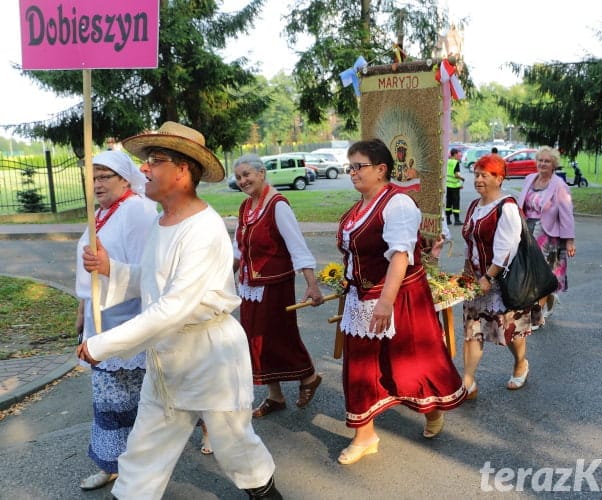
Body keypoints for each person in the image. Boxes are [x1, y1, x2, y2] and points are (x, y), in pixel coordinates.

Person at [77, 122, 281, 500]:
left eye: (155, 160)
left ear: (182, 171)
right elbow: (156, 283)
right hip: (166, 361)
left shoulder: (203, 229)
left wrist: (104, 344)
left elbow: (174, 306)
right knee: (144, 450)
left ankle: (266, 496)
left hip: (209, 358)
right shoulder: (162, 220)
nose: (144, 169)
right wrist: (112, 269)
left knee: (233, 444)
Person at [335, 138, 466, 465]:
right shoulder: (358, 207)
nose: (352, 173)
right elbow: (355, 251)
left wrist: (384, 301)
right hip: (361, 297)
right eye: (349, 167)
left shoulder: (398, 204)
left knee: (410, 365)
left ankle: (432, 409)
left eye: (358, 166)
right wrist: (348, 278)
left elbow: (401, 256)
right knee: (359, 366)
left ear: (381, 170)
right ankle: (365, 435)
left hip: (400, 297)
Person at [75, 150, 157, 491]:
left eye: (104, 177)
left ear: (125, 178)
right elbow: (87, 267)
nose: (97, 184)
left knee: (136, 400)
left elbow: (147, 272)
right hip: (100, 319)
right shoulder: (102, 212)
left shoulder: (137, 211)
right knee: (108, 399)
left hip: (127, 321)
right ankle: (111, 464)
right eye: (93, 178)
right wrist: (82, 308)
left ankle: (140, 470)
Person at [232, 153, 324, 417]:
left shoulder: (278, 205)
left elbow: (297, 247)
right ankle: (275, 395)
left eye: (247, 174)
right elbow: (240, 247)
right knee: (254, 341)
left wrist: (311, 284)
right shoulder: (246, 207)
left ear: (262, 173)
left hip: (275, 285)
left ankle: (308, 377)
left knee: (278, 338)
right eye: (239, 177)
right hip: (250, 286)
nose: (243, 181)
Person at [461, 154, 542, 399]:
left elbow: (508, 248)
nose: (478, 180)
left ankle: (520, 363)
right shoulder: (475, 206)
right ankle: (468, 383)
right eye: (476, 174)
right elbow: (470, 240)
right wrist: (468, 268)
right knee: (472, 330)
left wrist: (489, 276)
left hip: (502, 282)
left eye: (485, 175)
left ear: (499, 178)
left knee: (510, 332)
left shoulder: (506, 207)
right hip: (477, 280)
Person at [517, 146, 576, 319]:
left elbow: (567, 215)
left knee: (543, 273)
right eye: (540, 160)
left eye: (547, 161)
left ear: (554, 165)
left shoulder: (560, 186)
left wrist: (570, 240)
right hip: (527, 231)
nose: (542, 164)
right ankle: (548, 297)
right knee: (529, 271)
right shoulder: (529, 179)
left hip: (548, 236)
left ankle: (537, 315)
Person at [445, 148, 465, 225]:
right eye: (458, 154)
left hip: (448, 185)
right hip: (454, 186)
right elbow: (456, 175)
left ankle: (448, 220)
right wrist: (462, 179)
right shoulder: (456, 162)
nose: (458, 156)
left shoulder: (448, 161)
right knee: (456, 202)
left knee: (448, 202)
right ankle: (456, 220)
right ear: (455, 154)